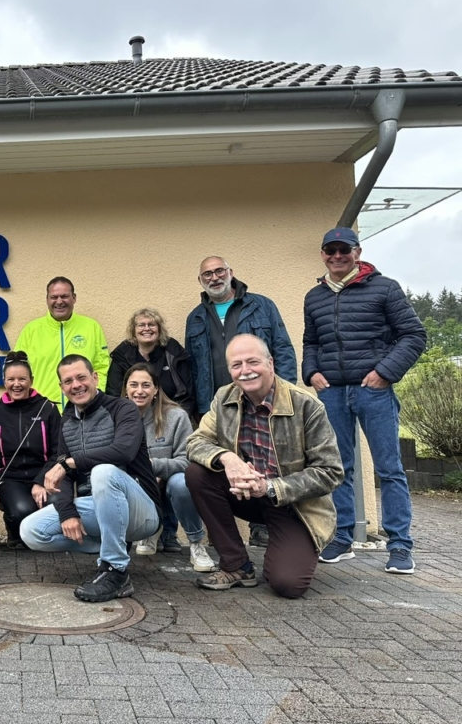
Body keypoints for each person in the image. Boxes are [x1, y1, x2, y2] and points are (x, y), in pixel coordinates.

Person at [304, 227, 426, 575]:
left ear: (357, 252)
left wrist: (384, 373)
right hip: (332, 392)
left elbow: (414, 335)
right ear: (323, 254)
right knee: (338, 467)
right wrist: (311, 372)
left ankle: (400, 545)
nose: (337, 256)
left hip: (373, 390)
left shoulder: (385, 288)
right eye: (330, 250)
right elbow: (311, 340)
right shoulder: (315, 296)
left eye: (344, 249)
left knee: (390, 469)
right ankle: (342, 537)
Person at [186, 335, 343, 598]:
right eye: (236, 365)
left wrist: (270, 487)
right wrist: (228, 458)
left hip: (294, 506)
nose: (245, 371)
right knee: (197, 474)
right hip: (246, 495)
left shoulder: (306, 405)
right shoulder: (224, 397)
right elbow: (196, 442)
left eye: (252, 362)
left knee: (288, 584)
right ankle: (237, 566)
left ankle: (288, 548)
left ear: (270, 363)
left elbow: (330, 472)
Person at [20, 355, 162, 602]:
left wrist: (68, 463)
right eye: (68, 381)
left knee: (103, 471)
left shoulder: (123, 408)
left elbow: (124, 451)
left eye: (81, 377)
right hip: (100, 507)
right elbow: (64, 477)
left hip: (142, 511)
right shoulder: (67, 421)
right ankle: (111, 543)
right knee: (30, 531)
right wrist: (67, 513)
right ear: (62, 388)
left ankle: (116, 570)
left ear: (95, 378)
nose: (76, 385)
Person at [185, 256, 297, 549]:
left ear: (231, 273)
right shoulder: (195, 317)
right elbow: (194, 366)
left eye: (219, 271)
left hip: (262, 400)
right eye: (207, 274)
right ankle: (222, 537)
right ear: (200, 281)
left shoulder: (261, 306)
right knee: (216, 467)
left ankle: (265, 524)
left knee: (263, 460)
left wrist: (283, 394)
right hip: (217, 407)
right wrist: (198, 407)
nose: (214, 277)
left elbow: (282, 348)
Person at [122, 363, 216, 572]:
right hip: (139, 486)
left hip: (171, 481)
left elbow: (187, 461)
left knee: (182, 483)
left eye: (146, 385)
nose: (139, 391)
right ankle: (149, 530)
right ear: (126, 389)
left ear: (156, 389)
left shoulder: (176, 416)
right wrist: (145, 476)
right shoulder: (117, 418)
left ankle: (196, 544)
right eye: (133, 385)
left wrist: (153, 467)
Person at [0, 351, 62, 549]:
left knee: (56, 507)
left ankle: (44, 539)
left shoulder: (48, 409)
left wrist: (40, 481)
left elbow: (58, 451)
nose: (16, 384)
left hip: (44, 475)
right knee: (23, 511)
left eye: (22, 379)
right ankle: (13, 528)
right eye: (11, 379)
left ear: (31, 380)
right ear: (4, 381)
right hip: (11, 479)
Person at [14, 276, 110, 410]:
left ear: (74, 298)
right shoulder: (31, 331)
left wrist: (95, 396)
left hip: (84, 409)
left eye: (64, 296)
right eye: (54, 297)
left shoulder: (91, 327)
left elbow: (102, 366)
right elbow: (18, 371)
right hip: (42, 410)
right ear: (47, 300)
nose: (59, 301)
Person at [106, 308, 195, 418]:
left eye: (152, 324)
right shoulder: (122, 355)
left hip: (169, 418)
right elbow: (113, 395)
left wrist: (176, 420)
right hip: (131, 418)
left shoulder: (173, 352)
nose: (146, 328)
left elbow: (187, 395)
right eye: (141, 325)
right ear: (134, 330)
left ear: (159, 329)